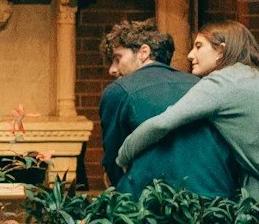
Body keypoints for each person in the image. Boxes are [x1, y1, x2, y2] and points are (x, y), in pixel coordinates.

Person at [115, 22, 259, 199]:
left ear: (221, 51)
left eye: (199, 46)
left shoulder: (222, 83)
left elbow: (162, 123)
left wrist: (123, 156)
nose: (190, 54)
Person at [97, 20, 237, 198]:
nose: (112, 70)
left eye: (118, 59)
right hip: (216, 195)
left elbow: (113, 162)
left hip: (155, 203)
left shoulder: (118, 91)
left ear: (144, 53)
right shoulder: (203, 85)